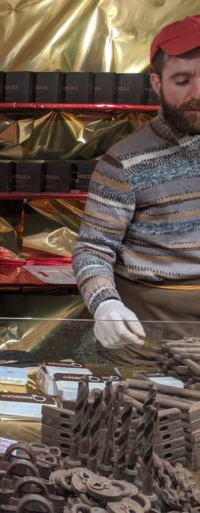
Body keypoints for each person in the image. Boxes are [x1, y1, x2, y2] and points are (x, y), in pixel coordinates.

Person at [72, 14, 200, 364]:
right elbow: (93, 249)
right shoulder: (123, 163)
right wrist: (105, 303)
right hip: (148, 335)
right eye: (182, 80)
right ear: (157, 83)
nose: (197, 93)